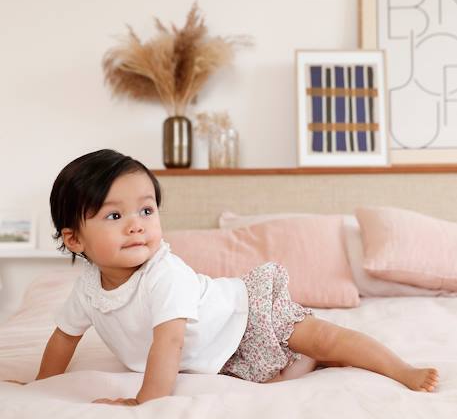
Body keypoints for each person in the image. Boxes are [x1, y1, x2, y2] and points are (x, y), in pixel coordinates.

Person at [5, 149, 439, 405]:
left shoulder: (164, 275)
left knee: (324, 337)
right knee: (285, 370)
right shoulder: (86, 288)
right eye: (114, 215)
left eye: (146, 210)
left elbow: (169, 341)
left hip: (246, 313)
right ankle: (309, 359)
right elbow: (64, 336)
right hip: (218, 351)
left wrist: (146, 401)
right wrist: (45, 385)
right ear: (74, 239)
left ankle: (400, 369)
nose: (137, 224)